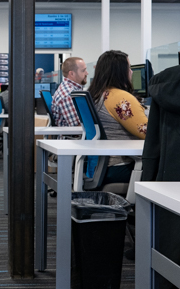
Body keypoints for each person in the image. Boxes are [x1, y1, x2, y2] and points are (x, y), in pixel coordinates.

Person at [87, 50, 147, 187]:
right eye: (129, 67)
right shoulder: (120, 99)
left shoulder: (97, 94)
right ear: (120, 71)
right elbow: (146, 132)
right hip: (120, 166)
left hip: (100, 166)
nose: (131, 72)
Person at [51, 56, 88, 127]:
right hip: (75, 137)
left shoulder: (74, 90)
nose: (87, 73)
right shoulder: (68, 95)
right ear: (71, 74)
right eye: (83, 71)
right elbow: (79, 126)